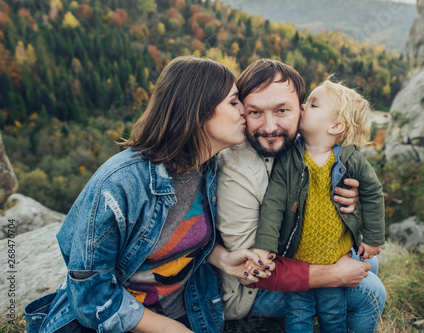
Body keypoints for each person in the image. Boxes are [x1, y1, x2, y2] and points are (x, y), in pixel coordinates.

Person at [24, 56, 261, 333]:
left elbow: (182, 244)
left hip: (189, 310)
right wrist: (173, 330)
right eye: (233, 102)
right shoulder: (120, 184)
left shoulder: (208, 169)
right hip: (117, 323)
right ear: (199, 110)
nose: (244, 110)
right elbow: (91, 296)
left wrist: (223, 259)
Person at [214, 59, 386, 332]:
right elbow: (252, 272)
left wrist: (344, 198)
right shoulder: (237, 171)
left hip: (297, 249)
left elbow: (364, 190)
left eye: (282, 110)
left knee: (368, 261)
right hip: (251, 291)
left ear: (299, 109)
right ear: (242, 111)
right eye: (255, 112)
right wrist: (332, 274)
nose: (270, 127)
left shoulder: (304, 144)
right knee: (370, 291)